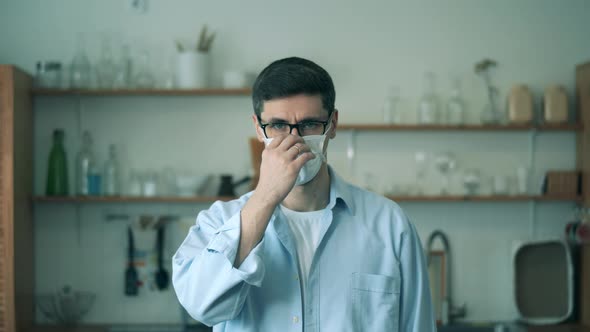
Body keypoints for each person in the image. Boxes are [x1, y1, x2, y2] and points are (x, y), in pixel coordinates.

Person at [172, 57, 436, 331]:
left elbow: (418, 325)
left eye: (309, 124)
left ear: (332, 124)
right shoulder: (219, 222)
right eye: (277, 125)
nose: (294, 139)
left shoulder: (390, 225)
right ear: (257, 128)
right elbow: (200, 306)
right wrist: (264, 197)